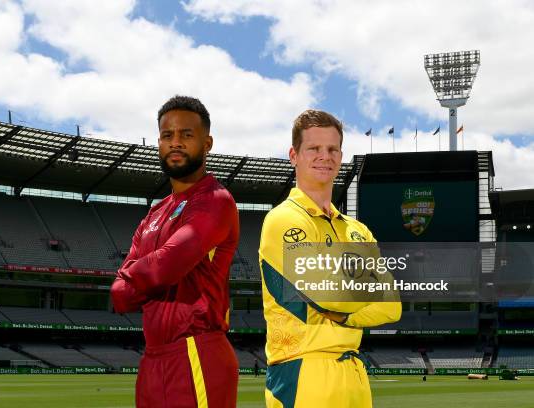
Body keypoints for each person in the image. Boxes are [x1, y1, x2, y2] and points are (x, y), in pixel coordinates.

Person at [259, 109, 402, 407]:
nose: (325, 156)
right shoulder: (283, 219)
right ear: (294, 155)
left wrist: (347, 315)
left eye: (332, 149)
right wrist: (364, 289)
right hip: (303, 370)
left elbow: (392, 306)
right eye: (314, 148)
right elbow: (328, 295)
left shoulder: (357, 230)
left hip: (355, 372)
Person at [111, 95, 239, 408]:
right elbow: (120, 295)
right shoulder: (153, 214)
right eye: (168, 136)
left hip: (196, 351)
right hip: (152, 358)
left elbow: (168, 265)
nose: (176, 142)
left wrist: (135, 277)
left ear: (207, 143)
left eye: (186, 135)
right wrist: (141, 277)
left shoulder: (215, 200)